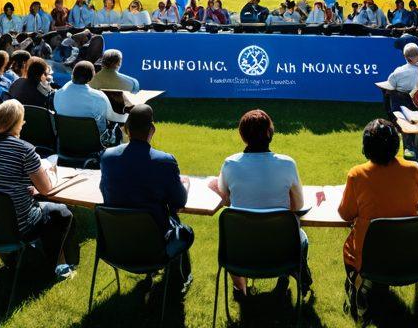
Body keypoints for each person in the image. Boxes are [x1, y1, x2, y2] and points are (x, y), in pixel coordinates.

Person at [0, 99, 79, 278]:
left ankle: (26, 258)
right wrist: (48, 174)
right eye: (22, 120)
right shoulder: (25, 150)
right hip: (17, 224)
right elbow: (46, 190)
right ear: (16, 123)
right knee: (62, 212)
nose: (23, 124)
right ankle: (59, 264)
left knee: (50, 209)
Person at [211, 109, 310, 299]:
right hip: (281, 251)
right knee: (301, 236)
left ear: (242, 135)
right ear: (270, 134)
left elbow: (224, 198)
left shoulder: (230, 164)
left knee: (233, 236)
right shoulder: (287, 164)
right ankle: (287, 277)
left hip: (239, 251)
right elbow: (298, 206)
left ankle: (240, 290)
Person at [100, 104, 193, 286]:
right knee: (183, 230)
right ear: (152, 129)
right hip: (154, 244)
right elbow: (180, 201)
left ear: (126, 129)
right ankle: (180, 279)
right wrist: (185, 185)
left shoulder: (107, 157)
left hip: (115, 243)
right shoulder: (164, 161)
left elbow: (105, 190)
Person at [339, 118, 418, 288]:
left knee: (351, 245)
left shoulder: (356, 175)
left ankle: (360, 286)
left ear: (366, 147)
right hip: (410, 256)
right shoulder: (413, 169)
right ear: (396, 144)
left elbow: (346, 214)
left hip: (368, 259)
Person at [54, 60, 126, 140]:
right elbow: (111, 117)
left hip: (65, 141)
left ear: (72, 74)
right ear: (91, 77)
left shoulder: (58, 94)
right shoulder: (99, 97)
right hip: (92, 144)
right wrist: (127, 117)